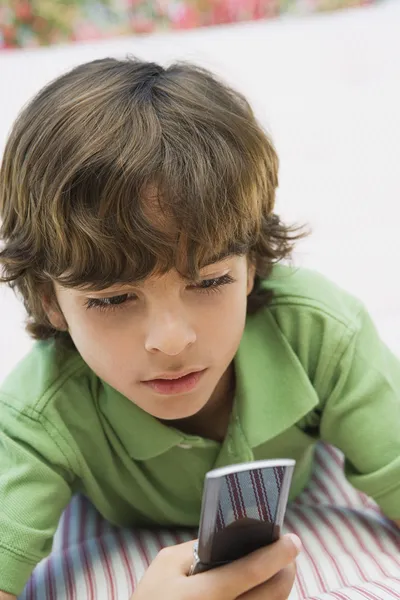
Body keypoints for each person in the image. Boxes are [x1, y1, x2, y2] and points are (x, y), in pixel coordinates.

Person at [0, 57, 399, 600]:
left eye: (209, 282)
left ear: (253, 263)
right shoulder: (40, 413)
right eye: (114, 298)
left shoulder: (320, 333)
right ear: (51, 300)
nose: (171, 338)